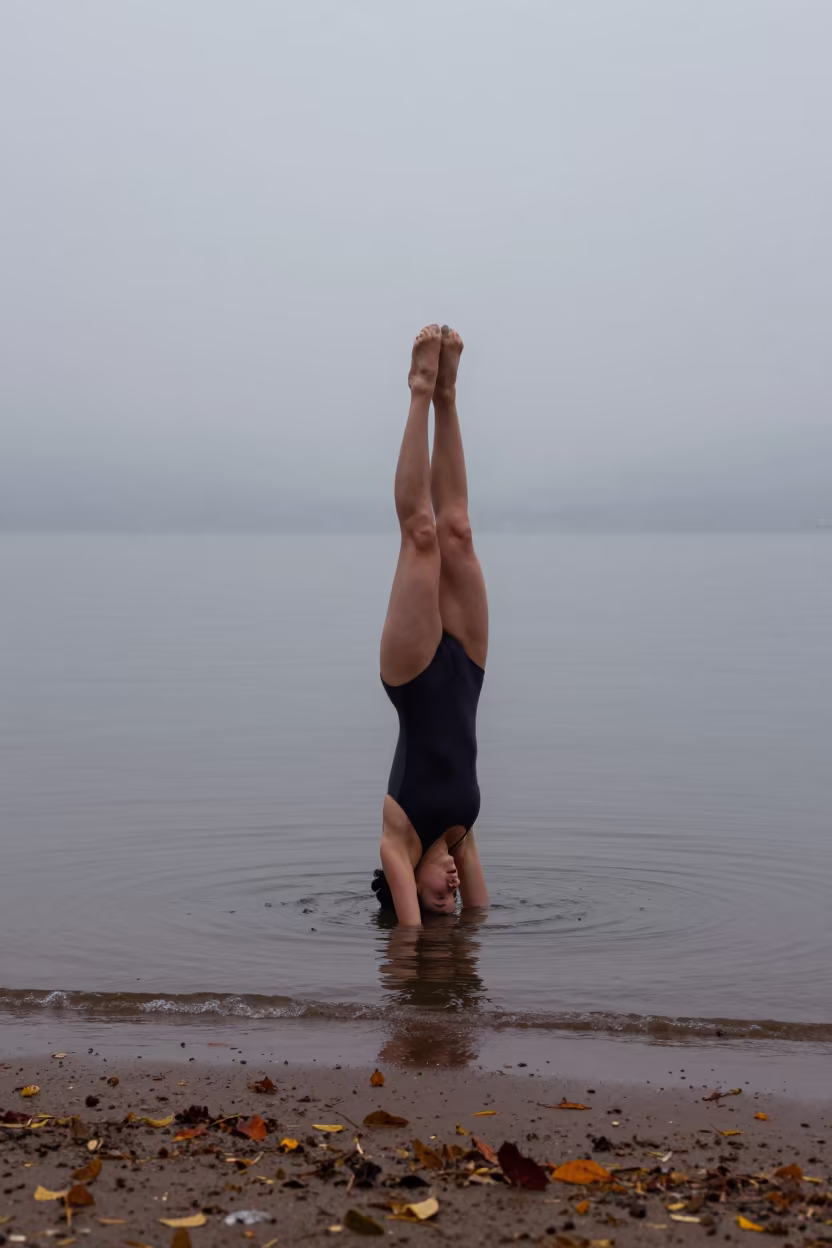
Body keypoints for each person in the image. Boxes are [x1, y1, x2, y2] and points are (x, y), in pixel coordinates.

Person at [373, 324, 490, 925]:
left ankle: (419, 387)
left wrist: (421, 929)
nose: (451, 887)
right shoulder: (462, 836)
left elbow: (410, 937)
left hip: (413, 678)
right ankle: (448, 394)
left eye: (438, 895)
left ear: (410, 886)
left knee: (421, 536)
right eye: (451, 894)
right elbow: (482, 918)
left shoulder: (398, 844)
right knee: (458, 531)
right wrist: (461, 926)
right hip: (467, 670)